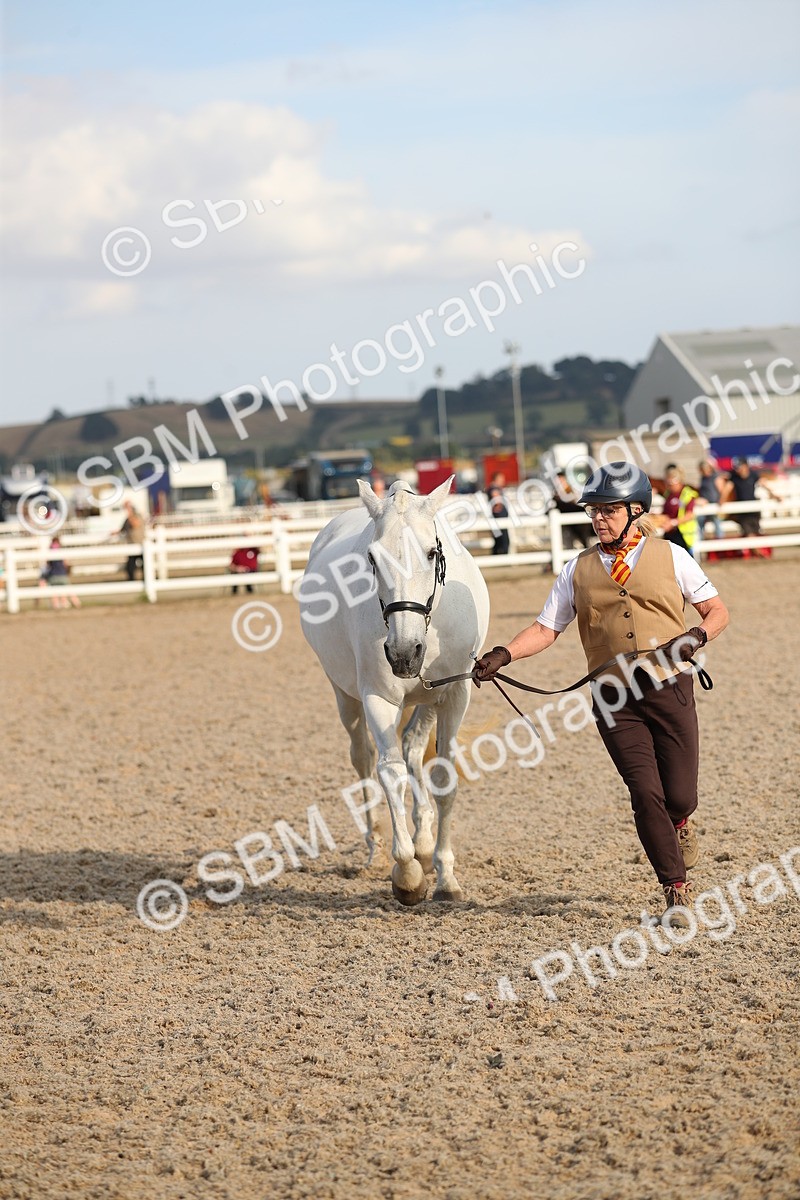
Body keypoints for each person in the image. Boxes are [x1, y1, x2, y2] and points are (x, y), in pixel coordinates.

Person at [474, 462, 729, 925]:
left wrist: (694, 637)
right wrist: (503, 655)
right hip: (613, 699)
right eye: (594, 511)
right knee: (644, 793)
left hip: (670, 687)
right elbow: (546, 628)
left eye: (608, 511)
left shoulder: (671, 556)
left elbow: (716, 612)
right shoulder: (577, 569)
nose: (598, 519)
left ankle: (682, 821)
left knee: (679, 795)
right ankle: (676, 890)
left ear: (635, 510)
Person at [721, 458, 779, 555]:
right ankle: (758, 553)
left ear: (745, 466)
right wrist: (722, 500)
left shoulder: (753, 475)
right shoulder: (734, 477)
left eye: (739, 467)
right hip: (741, 511)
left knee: (755, 530)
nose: (738, 470)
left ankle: (754, 552)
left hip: (753, 509)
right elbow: (727, 488)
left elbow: (763, 484)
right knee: (748, 532)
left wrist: (774, 495)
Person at [661, 465, 698, 557]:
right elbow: (666, 512)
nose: (669, 486)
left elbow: (690, 515)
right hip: (670, 534)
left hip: (683, 536)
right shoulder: (668, 493)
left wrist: (673, 523)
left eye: (671, 483)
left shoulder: (687, 493)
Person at [551, 470, 593, 549]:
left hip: (577, 521)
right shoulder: (556, 494)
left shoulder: (571, 491)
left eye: (561, 480)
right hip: (568, 523)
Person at [41, 537, 81, 609]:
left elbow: (47, 565)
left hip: (53, 577)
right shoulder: (62, 552)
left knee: (54, 594)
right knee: (68, 592)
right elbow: (66, 564)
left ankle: (56, 606)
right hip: (62, 576)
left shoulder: (49, 553)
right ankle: (77, 604)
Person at [696, 460, 724, 540]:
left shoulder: (715, 477)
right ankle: (700, 539)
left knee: (717, 523)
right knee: (700, 521)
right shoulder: (703, 478)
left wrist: (720, 501)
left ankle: (720, 541)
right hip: (704, 505)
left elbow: (721, 490)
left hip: (714, 504)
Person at [118, 501, 144, 581]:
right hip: (132, 545)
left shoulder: (137, 516)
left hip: (140, 544)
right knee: (130, 566)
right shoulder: (127, 520)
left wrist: (129, 512)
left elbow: (135, 524)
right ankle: (131, 580)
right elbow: (122, 530)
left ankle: (146, 578)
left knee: (145, 565)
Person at [486, 472, 510, 555]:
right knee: (503, 540)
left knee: (498, 539)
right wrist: (499, 505)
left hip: (497, 518)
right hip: (499, 518)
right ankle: (502, 556)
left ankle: (496, 556)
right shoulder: (494, 489)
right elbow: (496, 499)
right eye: (501, 479)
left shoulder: (493, 488)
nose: (503, 481)